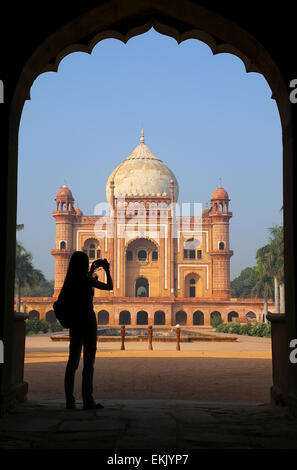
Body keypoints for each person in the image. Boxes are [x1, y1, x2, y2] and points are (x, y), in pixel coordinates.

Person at [60, 251, 113, 410]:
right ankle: (87, 400)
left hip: (75, 322)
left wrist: (91, 270)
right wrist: (106, 270)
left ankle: (70, 401)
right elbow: (109, 286)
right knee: (89, 362)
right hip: (88, 322)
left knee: (72, 362)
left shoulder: (70, 280)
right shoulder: (86, 279)